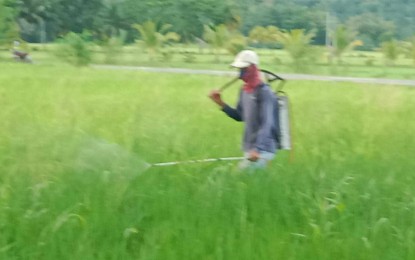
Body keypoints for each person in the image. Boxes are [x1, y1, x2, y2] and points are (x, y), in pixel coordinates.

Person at [209, 50, 279, 170]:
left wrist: (258, 149)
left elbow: (267, 123)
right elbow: (239, 116)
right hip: (250, 148)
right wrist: (220, 103)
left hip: (263, 150)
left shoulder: (264, 92)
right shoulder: (244, 90)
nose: (240, 73)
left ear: (253, 68)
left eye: (243, 69)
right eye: (239, 69)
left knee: (239, 177)